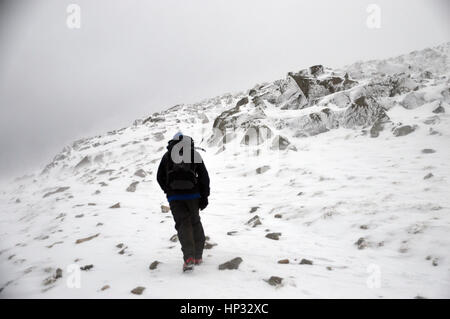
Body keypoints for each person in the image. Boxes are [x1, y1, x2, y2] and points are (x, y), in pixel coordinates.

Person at [157, 132, 210, 272]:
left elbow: (159, 177)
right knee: (195, 222)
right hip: (193, 195)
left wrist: (168, 191)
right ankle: (198, 256)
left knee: (183, 224)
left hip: (175, 198)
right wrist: (204, 197)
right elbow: (204, 177)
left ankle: (189, 258)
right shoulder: (194, 154)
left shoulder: (167, 156)